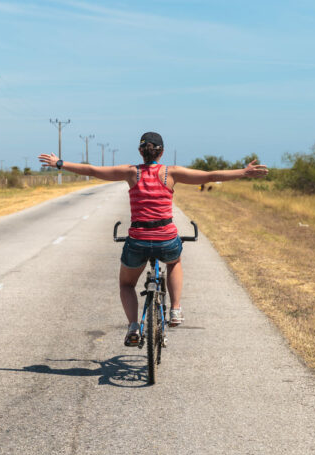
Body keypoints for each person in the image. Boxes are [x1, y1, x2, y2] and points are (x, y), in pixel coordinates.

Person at [38, 132, 268, 346]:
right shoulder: (171, 173)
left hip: (138, 240)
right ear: (161, 152)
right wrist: (243, 172)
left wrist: (60, 163)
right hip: (166, 238)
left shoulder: (131, 172)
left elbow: (93, 170)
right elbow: (210, 175)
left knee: (126, 284)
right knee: (174, 261)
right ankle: (176, 309)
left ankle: (134, 327)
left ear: (140, 152)